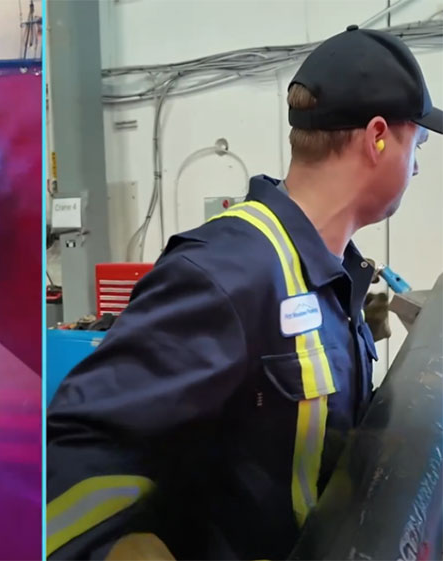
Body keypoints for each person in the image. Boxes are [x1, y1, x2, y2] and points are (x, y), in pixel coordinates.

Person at [46, 24, 442, 561]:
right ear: (376, 137)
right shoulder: (228, 273)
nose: (417, 163)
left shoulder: (329, 278)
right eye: (415, 142)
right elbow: (71, 456)